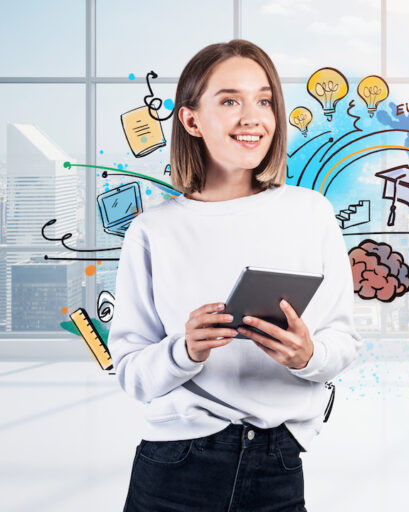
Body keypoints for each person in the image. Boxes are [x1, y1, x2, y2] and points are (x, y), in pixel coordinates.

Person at [109, 39, 362, 511]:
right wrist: (184, 350)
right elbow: (132, 375)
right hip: (175, 468)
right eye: (230, 101)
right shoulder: (153, 231)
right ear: (191, 120)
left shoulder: (311, 214)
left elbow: (343, 344)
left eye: (264, 101)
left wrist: (307, 355)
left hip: (278, 465)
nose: (253, 118)